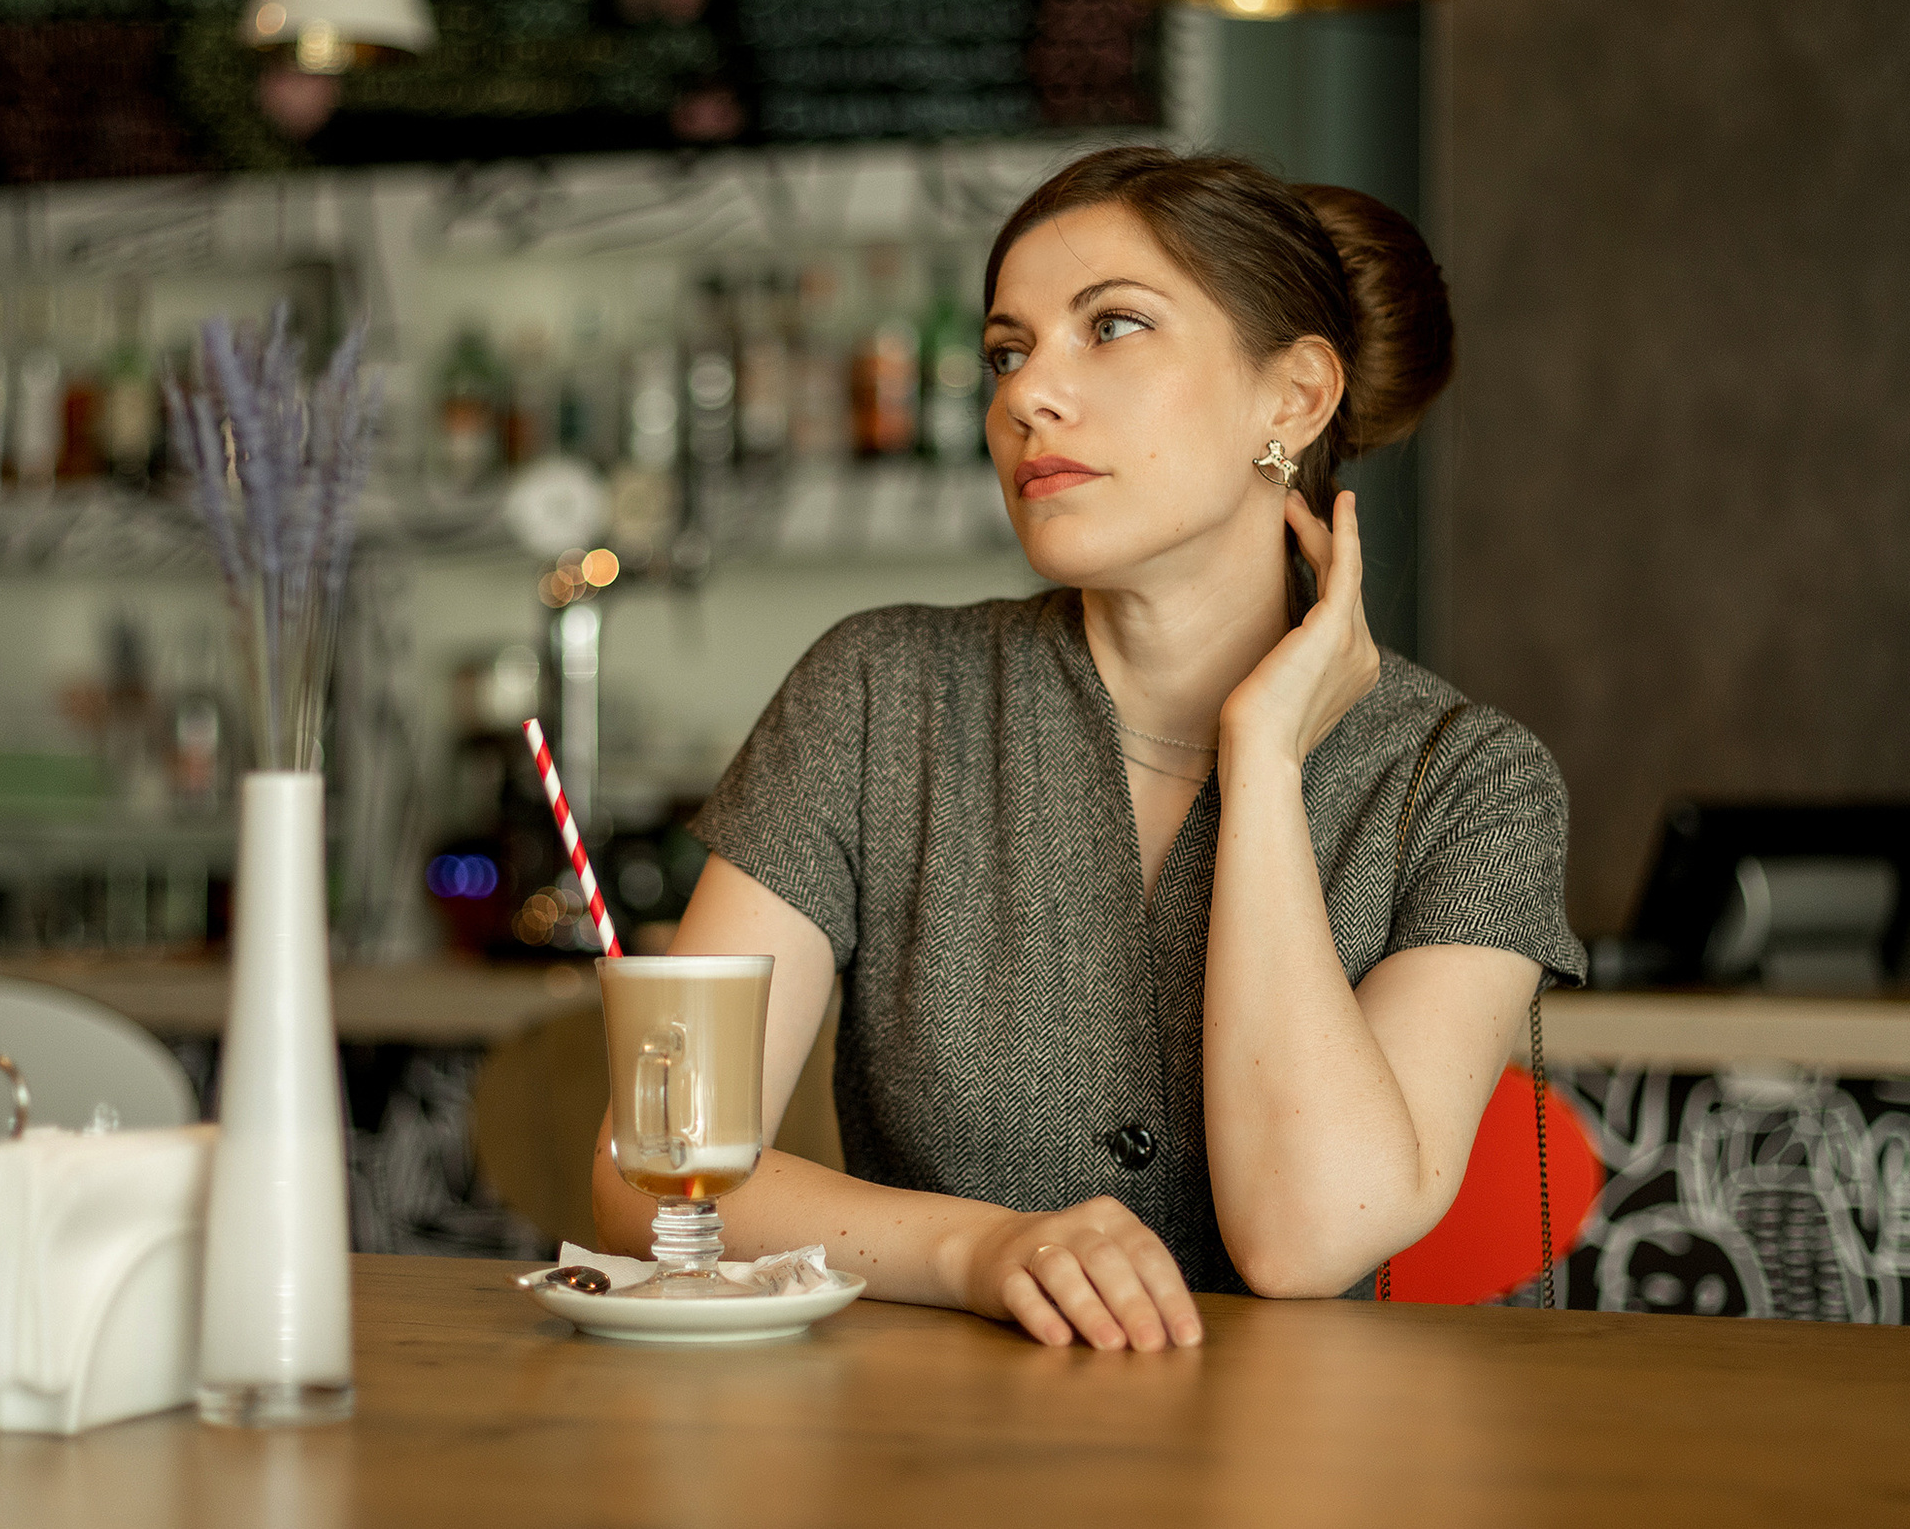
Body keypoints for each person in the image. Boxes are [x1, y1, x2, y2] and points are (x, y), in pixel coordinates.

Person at [592, 146, 1586, 1349]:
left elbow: (1309, 1237)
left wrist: (1264, 765)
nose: (1025, 396)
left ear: (1294, 398)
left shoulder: (1470, 782)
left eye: (1111, 327)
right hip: (935, 1465)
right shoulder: (876, 693)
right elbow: (656, 1176)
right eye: (1007, 352)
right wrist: (980, 1248)